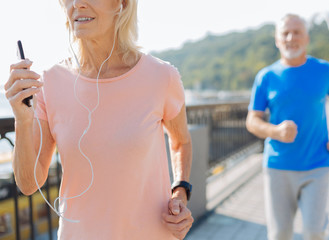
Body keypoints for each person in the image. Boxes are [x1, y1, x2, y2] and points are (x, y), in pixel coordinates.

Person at [4, 0, 193, 239]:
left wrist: (180, 192)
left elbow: (181, 142)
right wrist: (22, 120)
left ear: (122, 4)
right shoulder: (50, 83)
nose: (77, 4)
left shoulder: (162, 76)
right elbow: (28, 184)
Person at [246, 14, 329, 240]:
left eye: (297, 32)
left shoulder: (325, 70)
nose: (291, 37)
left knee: (314, 232)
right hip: (277, 166)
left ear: (307, 38)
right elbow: (252, 120)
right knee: (280, 234)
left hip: (317, 164)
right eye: (285, 33)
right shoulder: (265, 77)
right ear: (277, 40)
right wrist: (275, 131)